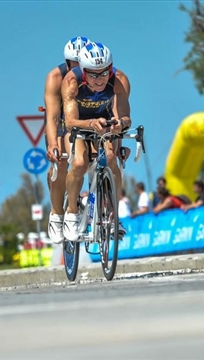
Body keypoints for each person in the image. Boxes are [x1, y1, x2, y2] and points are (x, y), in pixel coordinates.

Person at [61, 42, 132, 240]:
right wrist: (91, 123)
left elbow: (126, 117)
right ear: (83, 72)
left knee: (110, 158)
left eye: (104, 72)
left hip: (106, 122)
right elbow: (69, 122)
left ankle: (112, 214)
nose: (100, 79)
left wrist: (119, 123)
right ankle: (72, 212)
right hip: (80, 124)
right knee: (79, 163)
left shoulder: (119, 79)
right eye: (93, 74)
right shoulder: (71, 82)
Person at [44, 36, 92, 244]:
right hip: (64, 120)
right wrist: (54, 143)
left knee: (93, 158)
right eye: (77, 63)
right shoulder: (56, 78)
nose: (82, 68)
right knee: (61, 161)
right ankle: (56, 213)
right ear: (68, 63)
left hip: (88, 117)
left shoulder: (95, 74)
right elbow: (53, 117)